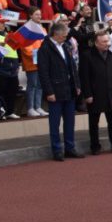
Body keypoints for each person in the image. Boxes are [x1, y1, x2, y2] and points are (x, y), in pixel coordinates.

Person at [37, 22, 84, 161]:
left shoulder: (65, 46)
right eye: (63, 36)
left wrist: (77, 85)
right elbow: (43, 72)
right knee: (55, 123)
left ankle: (70, 147)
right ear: (56, 34)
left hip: (69, 89)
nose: (65, 38)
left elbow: (73, 67)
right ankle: (57, 150)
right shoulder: (45, 48)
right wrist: (49, 91)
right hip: (55, 90)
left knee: (70, 121)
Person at [80, 29, 112, 154]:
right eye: (104, 41)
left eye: (108, 41)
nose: (108, 43)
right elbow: (84, 77)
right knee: (94, 123)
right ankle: (95, 147)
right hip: (94, 95)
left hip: (110, 94)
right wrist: (87, 94)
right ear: (96, 43)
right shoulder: (87, 56)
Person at [20, 7, 46, 117]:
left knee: (40, 85)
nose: (39, 17)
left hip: (41, 61)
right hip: (31, 61)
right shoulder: (26, 29)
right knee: (32, 84)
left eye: (40, 14)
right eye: (36, 14)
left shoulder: (43, 28)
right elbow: (24, 46)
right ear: (30, 15)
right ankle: (30, 108)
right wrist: (35, 55)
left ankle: (38, 106)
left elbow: (45, 43)